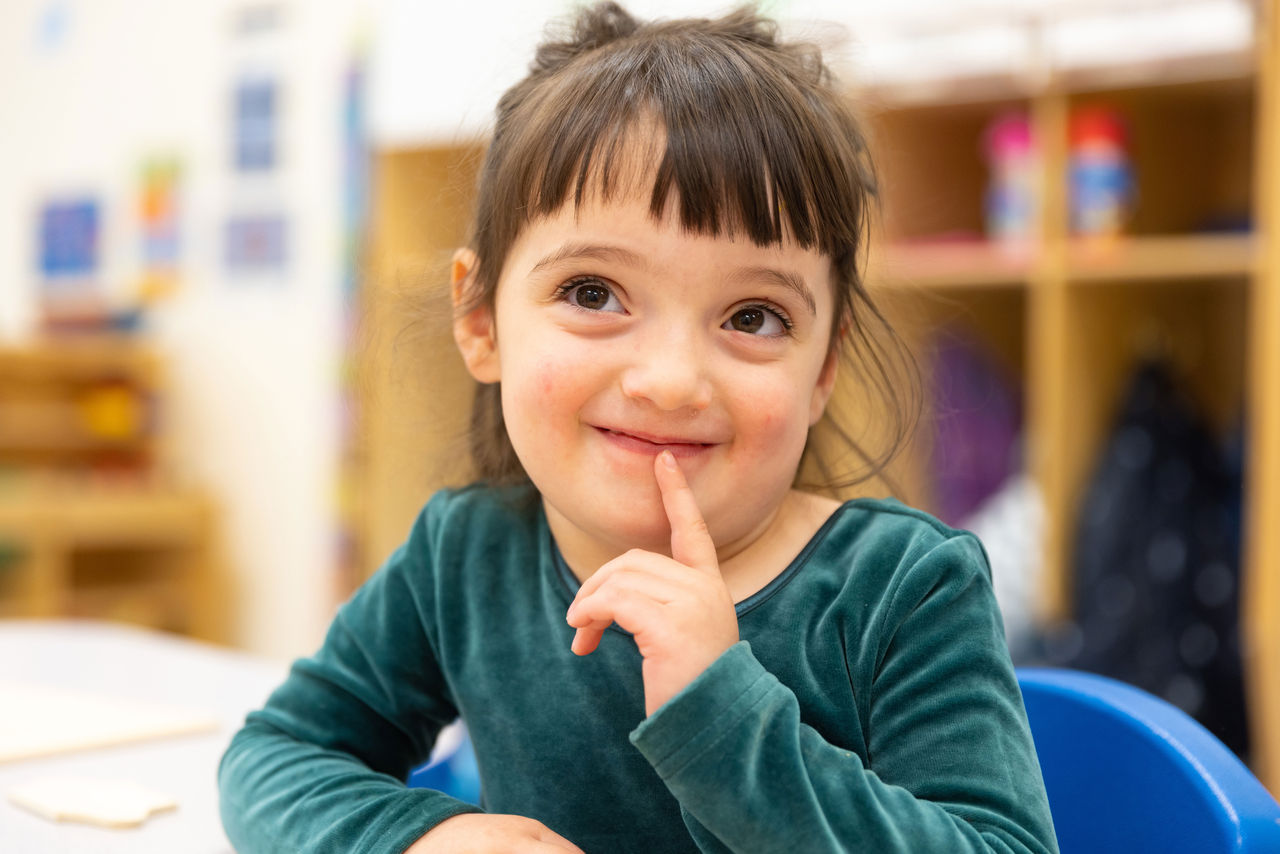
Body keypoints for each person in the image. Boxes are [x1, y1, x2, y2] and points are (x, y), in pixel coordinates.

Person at [218, 4, 1060, 853]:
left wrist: (723, 718)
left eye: (754, 315)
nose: (668, 381)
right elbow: (279, 754)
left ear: (824, 367)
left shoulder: (903, 588)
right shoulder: (464, 557)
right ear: (480, 320)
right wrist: (413, 839)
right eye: (593, 294)